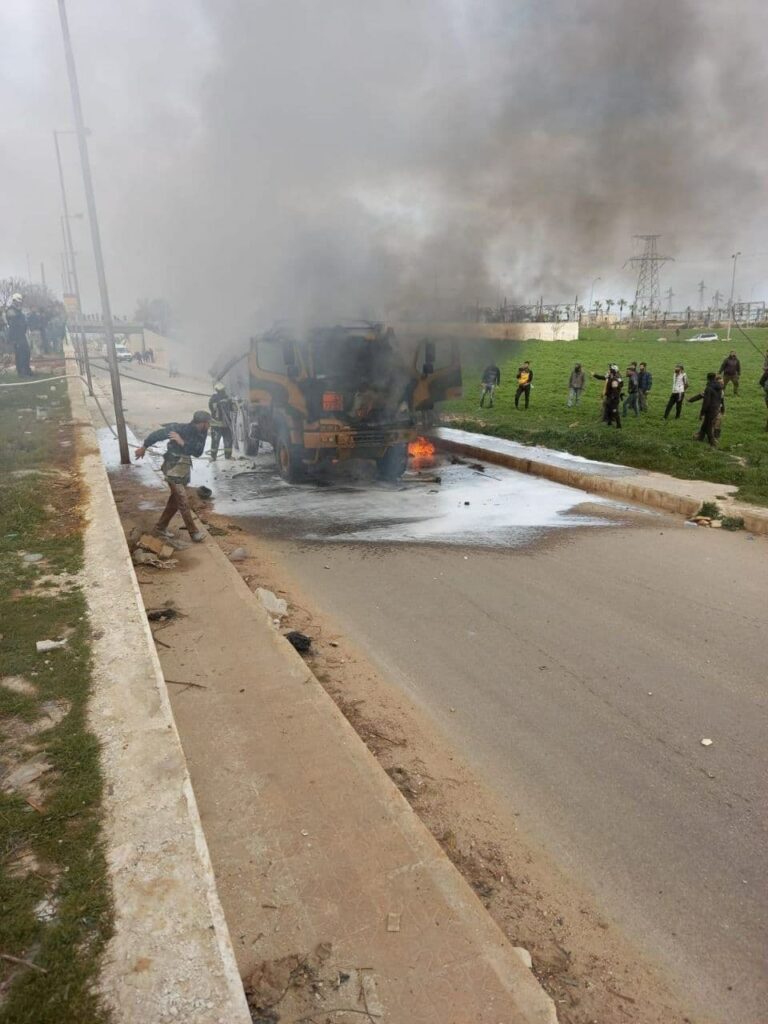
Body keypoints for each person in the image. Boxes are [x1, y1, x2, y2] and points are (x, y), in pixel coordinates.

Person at [134, 411, 210, 540]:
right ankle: (193, 532)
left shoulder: (202, 434)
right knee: (182, 499)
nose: (209, 426)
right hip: (172, 467)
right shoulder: (180, 428)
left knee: (175, 500)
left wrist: (182, 443)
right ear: (203, 423)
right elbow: (157, 435)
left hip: (184, 469)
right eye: (208, 423)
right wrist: (144, 446)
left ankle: (160, 527)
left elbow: (197, 452)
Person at [687, 373, 724, 447]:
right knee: (705, 425)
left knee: (709, 427)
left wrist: (702, 413)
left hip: (710, 410)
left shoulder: (709, 388)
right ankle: (700, 437)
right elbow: (721, 400)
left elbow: (706, 402)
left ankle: (713, 443)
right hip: (716, 409)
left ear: (708, 378)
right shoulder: (720, 388)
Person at [6, 293, 32, 377]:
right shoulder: (10, 310)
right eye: (18, 301)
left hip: (22, 335)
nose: (19, 303)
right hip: (16, 336)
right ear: (14, 301)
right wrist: (21, 312)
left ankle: (27, 371)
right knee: (20, 354)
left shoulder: (19, 310)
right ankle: (22, 372)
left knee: (26, 352)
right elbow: (14, 319)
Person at [208, 381, 235, 460]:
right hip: (223, 424)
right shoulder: (215, 399)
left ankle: (221, 456)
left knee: (220, 440)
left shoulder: (217, 399)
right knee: (225, 440)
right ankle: (217, 457)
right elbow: (214, 409)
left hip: (221, 424)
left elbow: (233, 408)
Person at [591, 364, 623, 428]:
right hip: (609, 397)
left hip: (613, 398)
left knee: (614, 411)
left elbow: (616, 389)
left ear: (613, 371)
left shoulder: (616, 379)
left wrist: (613, 397)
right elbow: (603, 377)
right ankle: (609, 422)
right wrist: (594, 375)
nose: (608, 370)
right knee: (608, 409)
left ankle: (618, 425)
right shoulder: (609, 377)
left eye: (610, 370)